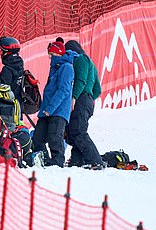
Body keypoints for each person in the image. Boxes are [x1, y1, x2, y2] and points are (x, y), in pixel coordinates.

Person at [31, 40, 76, 167]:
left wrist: (50, 108)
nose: (49, 57)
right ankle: (43, 158)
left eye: (51, 54)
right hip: (47, 110)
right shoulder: (55, 67)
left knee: (54, 137)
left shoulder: (66, 68)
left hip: (58, 110)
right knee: (37, 138)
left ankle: (57, 161)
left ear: (58, 53)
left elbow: (63, 90)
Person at [64, 39, 104, 169]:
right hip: (87, 100)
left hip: (80, 99)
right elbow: (97, 89)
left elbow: (80, 80)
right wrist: (90, 98)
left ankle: (95, 160)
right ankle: (77, 160)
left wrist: (74, 97)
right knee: (75, 131)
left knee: (79, 132)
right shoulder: (91, 63)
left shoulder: (80, 59)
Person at [0, 36, 25, 103]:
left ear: (6, 53)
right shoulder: (20, 65)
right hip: (18, 101)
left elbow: (3, 88)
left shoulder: (7, 70)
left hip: (9, 104)